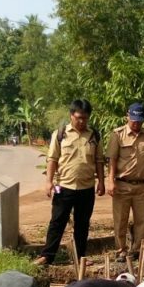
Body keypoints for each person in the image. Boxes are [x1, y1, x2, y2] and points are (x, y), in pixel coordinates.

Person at [36, 98, 105, 267]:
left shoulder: (94, 135)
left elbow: (99, 160)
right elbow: (52, 159)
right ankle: (47, 256)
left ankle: (80, 257)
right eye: (78, 117)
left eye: (85, 118)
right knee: (57, 221)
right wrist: (48, 182)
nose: (81, 121)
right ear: (71, 115)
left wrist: (101, 182)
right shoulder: (60, 134)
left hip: (86, 187)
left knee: (82, 224)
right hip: (63, 187)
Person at [107, 103, 144, 259]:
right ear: (127, 117)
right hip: (122, 184)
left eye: (139, 120)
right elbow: (112, 159)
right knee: (120, 220)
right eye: (133, 120)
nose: (136, 123)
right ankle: (121, 250)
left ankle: (138, 251)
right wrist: (110, 181)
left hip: (141, 186)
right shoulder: (117, 135)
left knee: (141, 220)